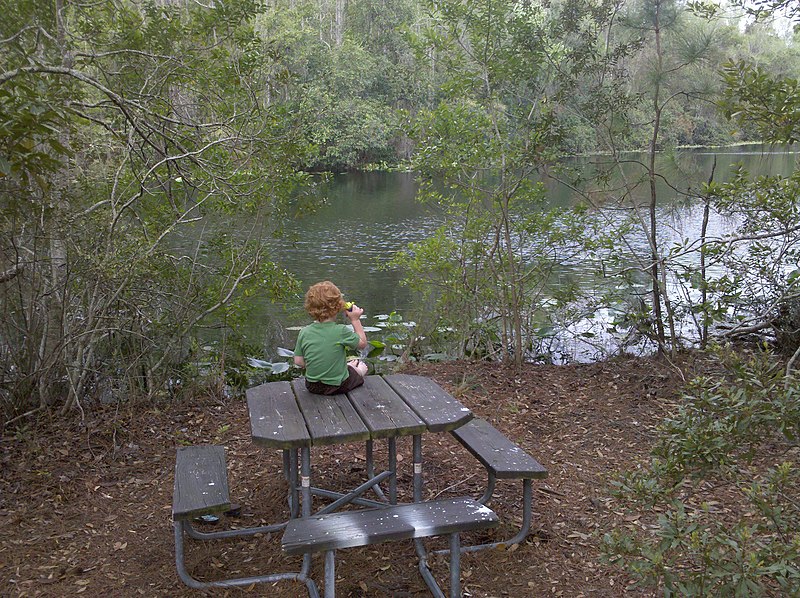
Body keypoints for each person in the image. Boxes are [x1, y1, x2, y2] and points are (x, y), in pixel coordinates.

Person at [293, 281, 369, 395]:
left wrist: (317, 365)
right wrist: (355, 320)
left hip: (312, 386)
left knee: (346, 367)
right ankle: (359, 370)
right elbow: (362, 344)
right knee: (360, 369)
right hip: (337, 385)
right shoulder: (341, 331)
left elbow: (298, 361)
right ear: (338, 306)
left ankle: (348, 367)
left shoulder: (304, 332)